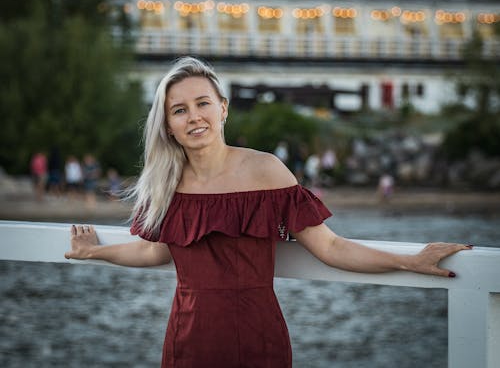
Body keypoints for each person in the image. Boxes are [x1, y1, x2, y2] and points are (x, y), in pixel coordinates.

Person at [65, 57, 472, 368]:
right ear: (168, 125)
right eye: (179, 110)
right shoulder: (165, 184)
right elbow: (154, 252)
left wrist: (411, 261)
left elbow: (330, 247)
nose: (194, 117)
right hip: (187, 340)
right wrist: (93, 251)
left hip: (259, 337)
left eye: (202, 103)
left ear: (223, 109)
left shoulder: (266, 171)